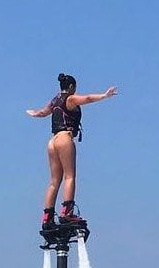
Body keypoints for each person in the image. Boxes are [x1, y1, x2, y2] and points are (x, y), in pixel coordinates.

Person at [26, 73, 118, 229]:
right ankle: (67, 213)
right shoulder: (70, 99)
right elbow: (88, 98)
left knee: (54, 181)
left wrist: (34, 113)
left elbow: (42, 113)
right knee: (70, 176)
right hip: (64, 138)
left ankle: (47, 217)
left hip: (52, 141)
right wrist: (105, 95)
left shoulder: (55, 100)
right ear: (70, 87)